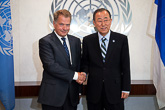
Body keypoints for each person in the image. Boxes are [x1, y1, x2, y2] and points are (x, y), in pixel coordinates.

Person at [81, 8, 131, 110]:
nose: (103, 24)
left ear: (111, 21)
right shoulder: (87, 40)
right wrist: (83, 73)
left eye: (106, 20)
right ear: (94, 23)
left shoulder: (121, 39)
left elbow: (125, 65)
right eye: (99, 20)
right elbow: (85, 63)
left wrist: (126, 88)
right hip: (94, 91)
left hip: (115, 91)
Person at [38, 9, 86, 110]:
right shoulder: (45, 42)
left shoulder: (76, 41)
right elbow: (51, 66)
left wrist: (80, 87)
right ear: (54, 24)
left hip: (72, 96)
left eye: (67, 25)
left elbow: (78, 65)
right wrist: (76, 75)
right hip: (52, 97)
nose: (65, 28)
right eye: (61, 24)